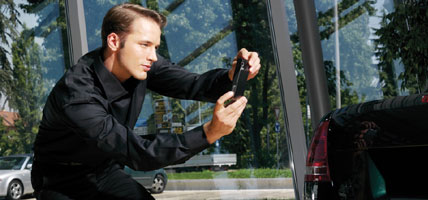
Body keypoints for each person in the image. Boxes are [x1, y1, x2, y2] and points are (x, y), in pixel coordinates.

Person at [31, 3, 260, 200]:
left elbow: (194, 84)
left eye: (156, 47)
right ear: (113, 41)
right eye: (144, 44)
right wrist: (209, 132)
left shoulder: (145, 64)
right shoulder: (77, 94)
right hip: (59, 180)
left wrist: (232, 76)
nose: (153, 56)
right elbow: (138, 152)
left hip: (105, 170)